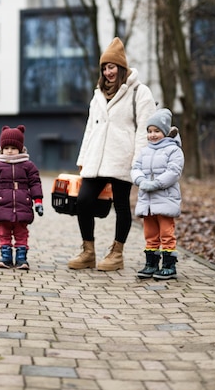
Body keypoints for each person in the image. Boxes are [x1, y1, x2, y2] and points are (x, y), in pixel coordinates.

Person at [68, 37, 158, 271]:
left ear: (122, 67)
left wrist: (139, 161)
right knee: (83, 201)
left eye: (112, 67)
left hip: (123, 158)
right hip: (96, 159)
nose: (108, 72)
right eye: (105, 67)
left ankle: (117, 253)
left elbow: (144, 129)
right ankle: (88, 251)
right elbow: (90, 128)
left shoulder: (140, 91)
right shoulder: (97, 94)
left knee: (120, 206)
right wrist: (83, 158)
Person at [0, 125, 44, 270]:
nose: (9, 151)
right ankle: (6, 258)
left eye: (13, 148)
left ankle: (21, 258)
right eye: (6, 148)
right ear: (1, 149)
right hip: (2, 206)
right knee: (3, 232)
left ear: (20, 148)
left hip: (23, 206)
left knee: (21, 233)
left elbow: (35, 183)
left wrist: (38, 201)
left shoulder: (28, 166)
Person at [131, 108, 184, 279]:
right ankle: (151, 263)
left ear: (166, 132)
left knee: (166, 233)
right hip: (147, 200)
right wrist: (141, 181)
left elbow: (174, 171)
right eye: (150, 131)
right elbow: (136, 168)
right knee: (150, 233)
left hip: (165, 198)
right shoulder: (145, 151)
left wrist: (157, 183)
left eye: (157, 131)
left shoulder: (174, 150)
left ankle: (169, 265)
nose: (153, 135)